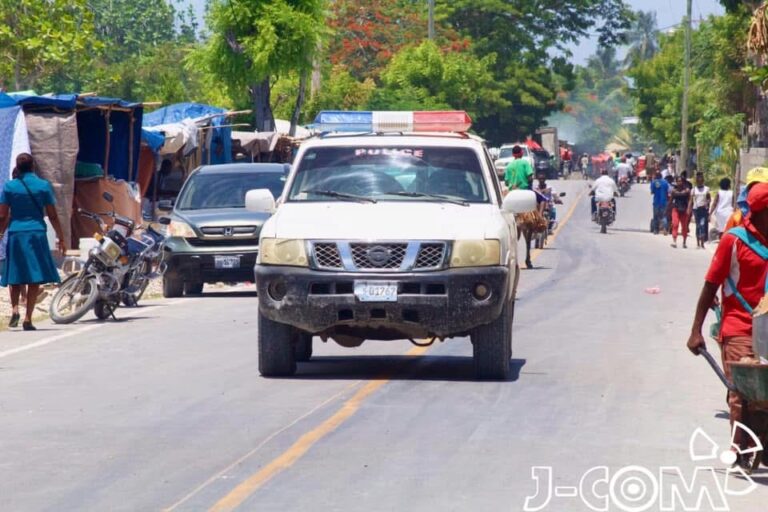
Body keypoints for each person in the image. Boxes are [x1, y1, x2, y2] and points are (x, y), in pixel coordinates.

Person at [687, 182, 768, 464]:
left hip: (767, 330)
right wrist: (696, 329)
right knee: (742, 391)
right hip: (739, 327)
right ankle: (738, 446)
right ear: (760, 212)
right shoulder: (734, 240)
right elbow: (711, 285)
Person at [0, 154, 65, 330]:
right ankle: (28, 318)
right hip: (36, 233)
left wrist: (0, 233)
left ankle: (14, 309)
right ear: (33, 166)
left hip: (16, 233)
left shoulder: (9, 186)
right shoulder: (43, 186)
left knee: (15, 273)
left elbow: (3, 215)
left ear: (17, 167)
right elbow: (52, 215)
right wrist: (61, 236)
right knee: (34, 276)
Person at [689, 172, 711, 249]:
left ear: (703, 181)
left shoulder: (707, 189)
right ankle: (698, 243)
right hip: (696, 210)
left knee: (702, 225)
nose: (699, 181)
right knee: (698, 226)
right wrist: (689, 210)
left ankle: (702, 243)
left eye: (701, 180)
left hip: (703, 210)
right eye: (698, 180)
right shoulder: (693, 190)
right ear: (696, 181)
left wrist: (707, 205)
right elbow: (690, 200)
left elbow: (709, 199)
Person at [669, 175, 692, 248]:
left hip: (684, 210)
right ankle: (674, 241)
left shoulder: (687, 191)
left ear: (683, 182)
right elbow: (670, 201)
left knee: (684, 227)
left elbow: (690, 201)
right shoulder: (674, 191)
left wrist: (689, 209)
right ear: (676, 182)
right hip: (676, 209)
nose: (679, 182)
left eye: (681, 181)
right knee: (675, 224)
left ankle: (684, 242)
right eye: (678, 181)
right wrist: (667, 210)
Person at [650, 170, 670, 235]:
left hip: (656, 202)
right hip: (664, 202)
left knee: (655, 216)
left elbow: (652, 192)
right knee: (664, 216)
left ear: (655, 176)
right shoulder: (665, 182)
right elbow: (668, 191)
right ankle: (665, 229)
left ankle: (656, 230)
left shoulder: (653, 182)